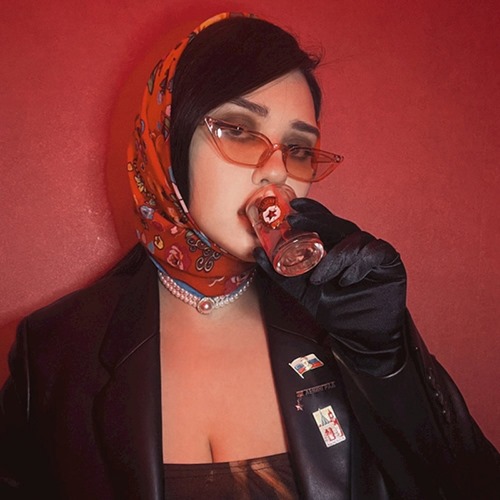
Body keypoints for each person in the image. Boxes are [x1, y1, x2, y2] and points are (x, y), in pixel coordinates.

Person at [0, 12, 498, 500]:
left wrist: (387, 364)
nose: (277, 171)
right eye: (238, 129)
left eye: (298, 148)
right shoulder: (53, 350)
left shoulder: (347, 314)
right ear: (168, 141)